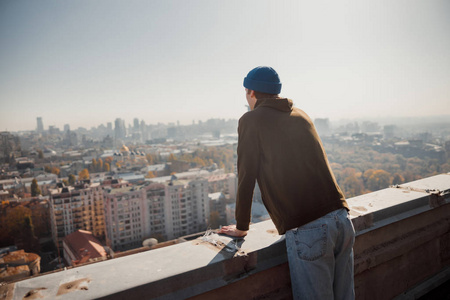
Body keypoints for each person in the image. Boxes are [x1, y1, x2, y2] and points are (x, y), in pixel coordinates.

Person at [219, 66, 355, 300]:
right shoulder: (301, 115)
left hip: (309, 229)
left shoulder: (251, 120)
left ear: (251, 92)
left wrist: (242, 226)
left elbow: (246, 176)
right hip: (342, 220)